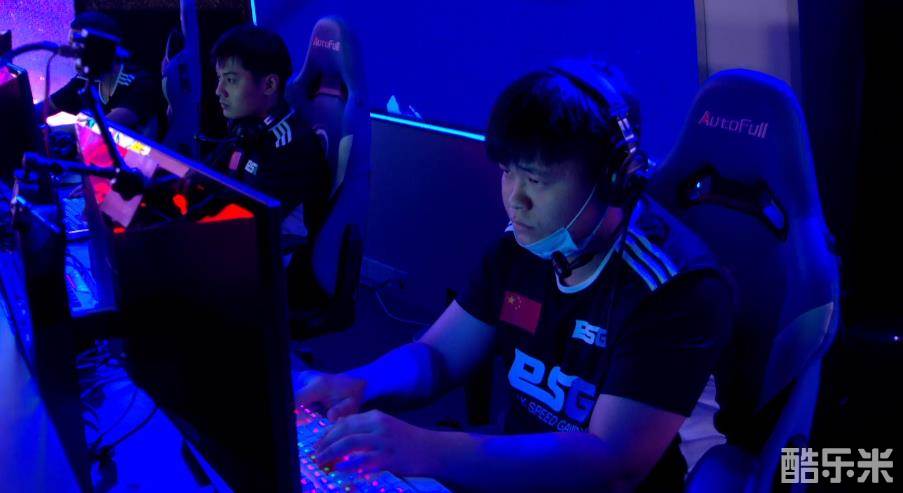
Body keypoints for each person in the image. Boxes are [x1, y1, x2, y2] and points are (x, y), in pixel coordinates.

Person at [294, 60, 733, 492]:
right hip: (515, 470)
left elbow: (611, 461)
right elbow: (438, 356)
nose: (515, 200)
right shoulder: (523, 248)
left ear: (611, 180)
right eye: (508, 173)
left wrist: (427, 449)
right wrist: (359, 383)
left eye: (536, 180)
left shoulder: (675, 289)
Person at [189, 24, 330, 246]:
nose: (218, 91)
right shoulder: (245, 131)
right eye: (219, 78)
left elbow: (250, 219)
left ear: (269, 85)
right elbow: (206, 177)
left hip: (271, 261)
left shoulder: (293, 147)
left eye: (231, 80)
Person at [35, 11, 164, 136]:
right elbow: (40, 110)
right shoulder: (84, 80)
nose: (74, 55)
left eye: (79, 48)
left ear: (101, 47)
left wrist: (50, 131)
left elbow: (104, 127)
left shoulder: (141, 82)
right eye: (71, 46)